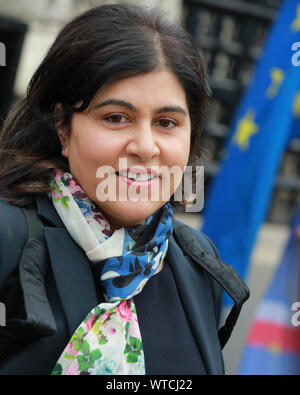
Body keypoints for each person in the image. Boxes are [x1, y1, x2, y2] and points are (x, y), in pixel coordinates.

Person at [0, 4, 249, 375]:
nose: (145, 146)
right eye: (116, 118)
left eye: (167, 122)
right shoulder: (7, 239)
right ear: (63, 127)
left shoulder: (197, 264)